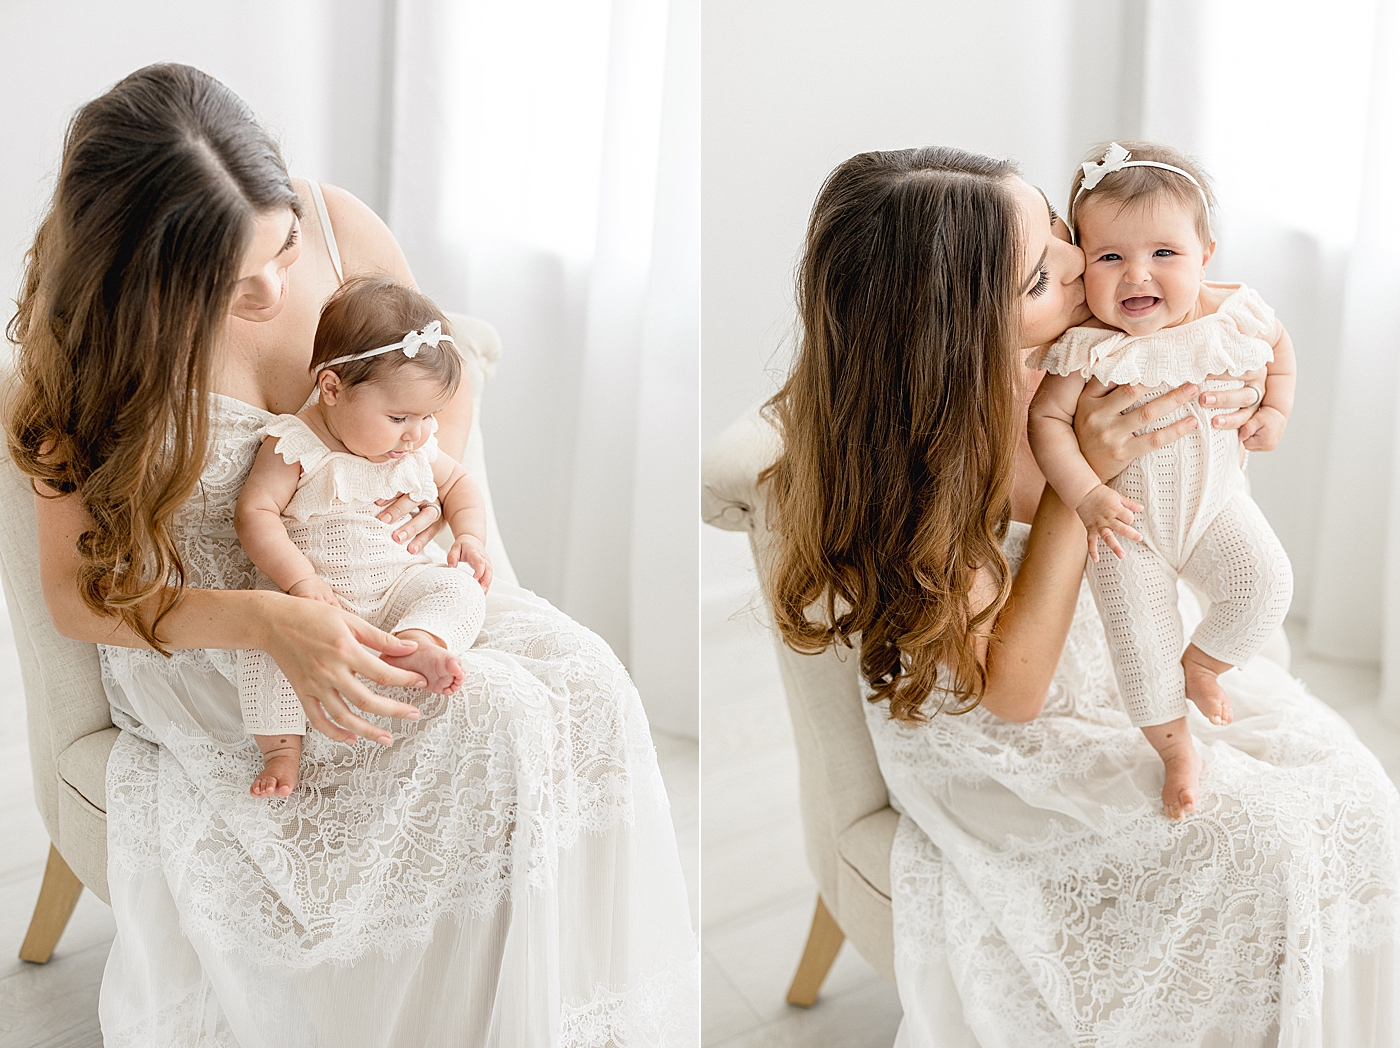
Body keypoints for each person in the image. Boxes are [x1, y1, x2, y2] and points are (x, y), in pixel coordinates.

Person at [8, 63, 696, 1046]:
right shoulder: (80, 355)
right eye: (229, 283)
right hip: (222, 651)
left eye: (280, 249)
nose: (274, 288)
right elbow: (79, 601)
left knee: (590, 684)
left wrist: (430, 477)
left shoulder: (339, 229)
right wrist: (273, 619)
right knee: (490, 719)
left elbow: (440, 362)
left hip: (386, 580)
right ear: (142, 276)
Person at [762, 146, 1400, 1045]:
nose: (1085, 267)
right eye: (1041, 277)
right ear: (961, 330)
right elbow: (1012, 694)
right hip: (1012, 733)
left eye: (1062, 237)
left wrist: (1244, 400)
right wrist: (1083, 478)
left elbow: (1218, 413)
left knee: (1360, 799)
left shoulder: (1100, 348)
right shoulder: (931, 462)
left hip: (1139, 657)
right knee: (1258, 846)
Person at [1028, 141, 1296, 818]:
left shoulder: (1232, 314)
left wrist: (1275, 407)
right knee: (1140, 649)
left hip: (1214, 508)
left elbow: (1279, 347)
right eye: (1110, 257)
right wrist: (1088, 496)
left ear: (1206, 253)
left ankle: (1203, 664)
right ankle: (1176, 748)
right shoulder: (1090, 346)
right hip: (1126, 528)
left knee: (1266, 585)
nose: (1136, 275)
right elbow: (1047, 423)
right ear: (1080, 262)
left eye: (1164, 254)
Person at [236, 277, 492, 798]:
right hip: (319, 605)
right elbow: (254, 513)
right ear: (332, 389)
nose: (416, 433)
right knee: (264, 651)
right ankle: (282, 749)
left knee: (459, 590)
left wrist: (469, 536)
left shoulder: (414, 448)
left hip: (400, 588)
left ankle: (416, 644)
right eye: (399, 417)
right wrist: (301, 580)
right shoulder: (296, 445)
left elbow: (460, 482)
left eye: (427, 417)